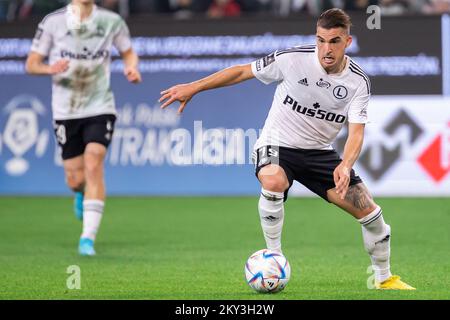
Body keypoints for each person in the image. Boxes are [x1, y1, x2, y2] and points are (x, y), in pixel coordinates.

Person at [159, 8, 415, 290]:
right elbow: (242, 71)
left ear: (347, 42)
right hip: (277, 143)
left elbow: (356, 133)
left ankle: (384, 278)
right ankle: (274, 257)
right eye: (320, 40)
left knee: (370, 212)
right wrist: (194, 87)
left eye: (334, 41)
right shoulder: (292, 59)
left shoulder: (358, 82)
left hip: (319, 152)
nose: (326, 49)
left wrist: (344, 165)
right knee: (273, 179)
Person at [26, 0, 141, 256]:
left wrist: (131, 66)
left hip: (100, 106)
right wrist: (49, 68)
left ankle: (87, 239)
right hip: (66, 110)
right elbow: (31, 63)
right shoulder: (53, 22)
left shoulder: (111, 21)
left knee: (94, 161)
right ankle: (80, 192)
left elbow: (128, 51)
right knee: (75, 178)